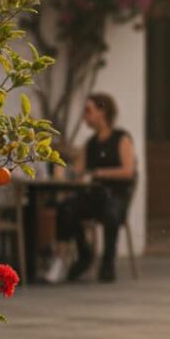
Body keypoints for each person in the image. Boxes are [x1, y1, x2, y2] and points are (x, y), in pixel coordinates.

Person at [54, 93, 136, 283]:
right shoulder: (90, 144)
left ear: (103, 112)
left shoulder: (121, 139)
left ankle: (108, 262)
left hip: (116, 195)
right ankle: (85, 254)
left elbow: (128, 171)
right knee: (67, 208)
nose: (85, 117)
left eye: (88, 111)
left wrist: (99, 173)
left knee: (111, 213)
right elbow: (78, 169)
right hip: (94, 196)